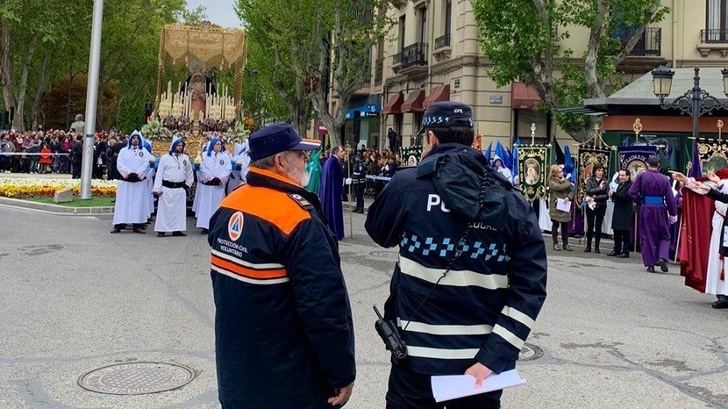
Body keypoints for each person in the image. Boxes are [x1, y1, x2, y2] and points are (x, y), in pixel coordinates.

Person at [365, 101, 547, 409]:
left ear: (431, 139)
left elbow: (379, 233)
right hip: (481, 363)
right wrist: (495, 356)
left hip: (415, 356)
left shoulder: (406, 186)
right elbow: (530, 288)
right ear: (474, 139)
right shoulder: (511, 199)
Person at [207, 123, 355, 409]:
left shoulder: (228, 205)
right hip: (288, 384)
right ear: (279, 162)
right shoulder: (297, 218)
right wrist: (341, 372)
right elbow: (323, 308)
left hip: (236, 373)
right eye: (300, 155)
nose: (307, 161)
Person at [672, 170, 728, 308]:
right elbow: (703, 188)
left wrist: (719, 183)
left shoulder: (721, 181)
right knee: (719, 258)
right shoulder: (721, 176)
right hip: (721, 223)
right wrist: (686, 180)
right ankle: (723, 293)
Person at [629, 156, 677, 273]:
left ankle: (650, 263)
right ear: (659, 165)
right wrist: (673, 213)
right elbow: (670, 198)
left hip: (646, 208)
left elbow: (632, 192)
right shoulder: (665, 179)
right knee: (664, 235)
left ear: (647, 164)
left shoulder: (643, 176)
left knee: (647, 235)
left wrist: (639, 200)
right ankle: (662, 257)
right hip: (660, 207)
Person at [111, 131, 153, 234]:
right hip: (126, 181)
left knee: (137, 204)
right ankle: (119, 225)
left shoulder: (144, 152)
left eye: (137, 138)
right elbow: (120, 164)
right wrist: (128, 173)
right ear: (130, 140)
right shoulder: (124, 151)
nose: (135, 140)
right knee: (123, 203)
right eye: (133, 138)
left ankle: (137, 225)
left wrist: (139, 173)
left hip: (138, 181)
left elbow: (147, 163)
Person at [153, 137, 193, 237]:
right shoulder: (165, 158)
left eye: (181, 146)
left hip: (180, 188)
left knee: (178, 211)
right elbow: (159, 173)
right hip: (167, 188)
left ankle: (177, 229)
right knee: (165, 211)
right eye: (178, 145)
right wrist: (158, 188)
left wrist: (188, 185)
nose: (180, 147)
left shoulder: (185, 158)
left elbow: (189, 173)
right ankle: (162, 230)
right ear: (173, 146)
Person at [196, 137, 231, 234]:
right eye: (217, 144)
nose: (219, 146)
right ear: (212, 145)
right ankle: (205, 226)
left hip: (218, 185)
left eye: (220, 144)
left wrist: (220, 178)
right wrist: (211, 177)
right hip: (208, 185)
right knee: (206, 206)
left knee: (217, 205)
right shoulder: (204, 155)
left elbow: (228, 169)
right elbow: (202, 168)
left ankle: (217, 225)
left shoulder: (225, 156)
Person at [319, 146, 346, 240]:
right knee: (333, 211)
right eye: (341, 151)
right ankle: (335, 231)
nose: (343, 153)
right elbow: (335, 179)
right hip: (332, 193)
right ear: (336, 152)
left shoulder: (330, 161)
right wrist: (343, 182)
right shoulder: (333, 162)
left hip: (331, 191)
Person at [547, 164, 573, 251]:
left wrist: (568, 197)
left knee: (565, 225)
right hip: (556, 206)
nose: (562, 173)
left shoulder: (564, 180)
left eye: (562, 171)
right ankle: (555, 243)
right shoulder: (551, 181)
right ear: (554, 173)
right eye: (560, 172)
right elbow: (560, 187)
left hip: (565, 205)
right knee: (555, 225)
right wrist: (567, 182)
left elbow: (571, 191)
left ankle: (565, 243)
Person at [608, 169, 633, 258]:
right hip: (618, 210)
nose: (621, 177)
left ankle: (626, 251)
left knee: (625, 232)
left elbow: (626, 197)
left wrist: (614, 195)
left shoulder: (630, 185)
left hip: (625, 211)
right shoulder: (620, 185)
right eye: (620, 175)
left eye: (623, 175)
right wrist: (613, 196)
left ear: (627, 176)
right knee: (617, 231)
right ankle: (616, 249)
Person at [584, 164, 609, 253]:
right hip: (591, 205)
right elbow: (588, 191)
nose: (600, 173)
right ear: (594, 171)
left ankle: (597, 246)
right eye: (598, 170)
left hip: (601, 205)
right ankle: (588, 246)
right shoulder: (590, 180)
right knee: (590, 225)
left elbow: (606, 195)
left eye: (602, 171)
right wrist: (599, 188)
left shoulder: (605, 181)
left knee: (598, 226)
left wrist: (596, 197)